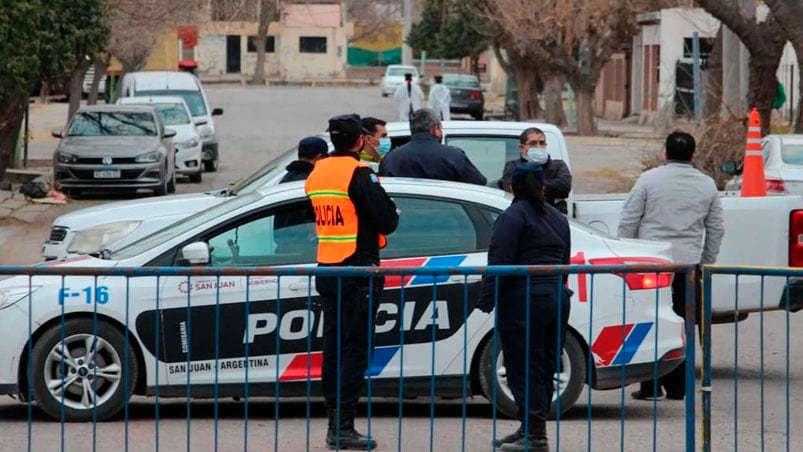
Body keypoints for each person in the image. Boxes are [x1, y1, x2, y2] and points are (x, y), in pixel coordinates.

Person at [305, 114, 399, 450]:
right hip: (358, 270)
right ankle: (344, 428)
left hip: (328, 268)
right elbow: (387, 221)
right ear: (359, 140)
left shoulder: (318, 172)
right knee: (355, 352)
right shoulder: (359, 174)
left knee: (333, 350)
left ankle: (335, 425)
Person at [617, 130, 724, 401]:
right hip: (688, 268)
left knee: (651, 323)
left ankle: (651, 387)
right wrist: (707, 263)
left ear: (665, 154)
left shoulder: (648, 180)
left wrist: (625, 255)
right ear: (693, 155)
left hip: (651, 266)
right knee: (685, 327)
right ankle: (680, 388)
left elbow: (629, 220)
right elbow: (716, 228)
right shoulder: (706, 184)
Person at [476, 163, 572, 452]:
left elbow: (499, 261)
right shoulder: (558, 218)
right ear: (542, 186)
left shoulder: (512, 217)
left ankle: (535, 436)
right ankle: (530, 428)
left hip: (524, 300)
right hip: (556, 298)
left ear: (512, 187)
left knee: (522, 366)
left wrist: (486, 299)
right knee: (544, 365)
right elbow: (565, 260)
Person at [378, 108, 487, 185]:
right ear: (435, 129)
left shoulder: (391, 159)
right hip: (448, 215)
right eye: (440, 128)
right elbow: (478, 183)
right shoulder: (454, 156)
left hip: (404, 215)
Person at [500, 127, 572, 214]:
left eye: (541, 143)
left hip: (553, 216)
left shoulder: (558, 165)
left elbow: (564, 187)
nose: (538, 147)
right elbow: (510, 188)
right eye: (533, 144)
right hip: (525, 215)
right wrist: (549, 191)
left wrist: (529, 186)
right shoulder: (513, 166)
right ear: (522, 147)